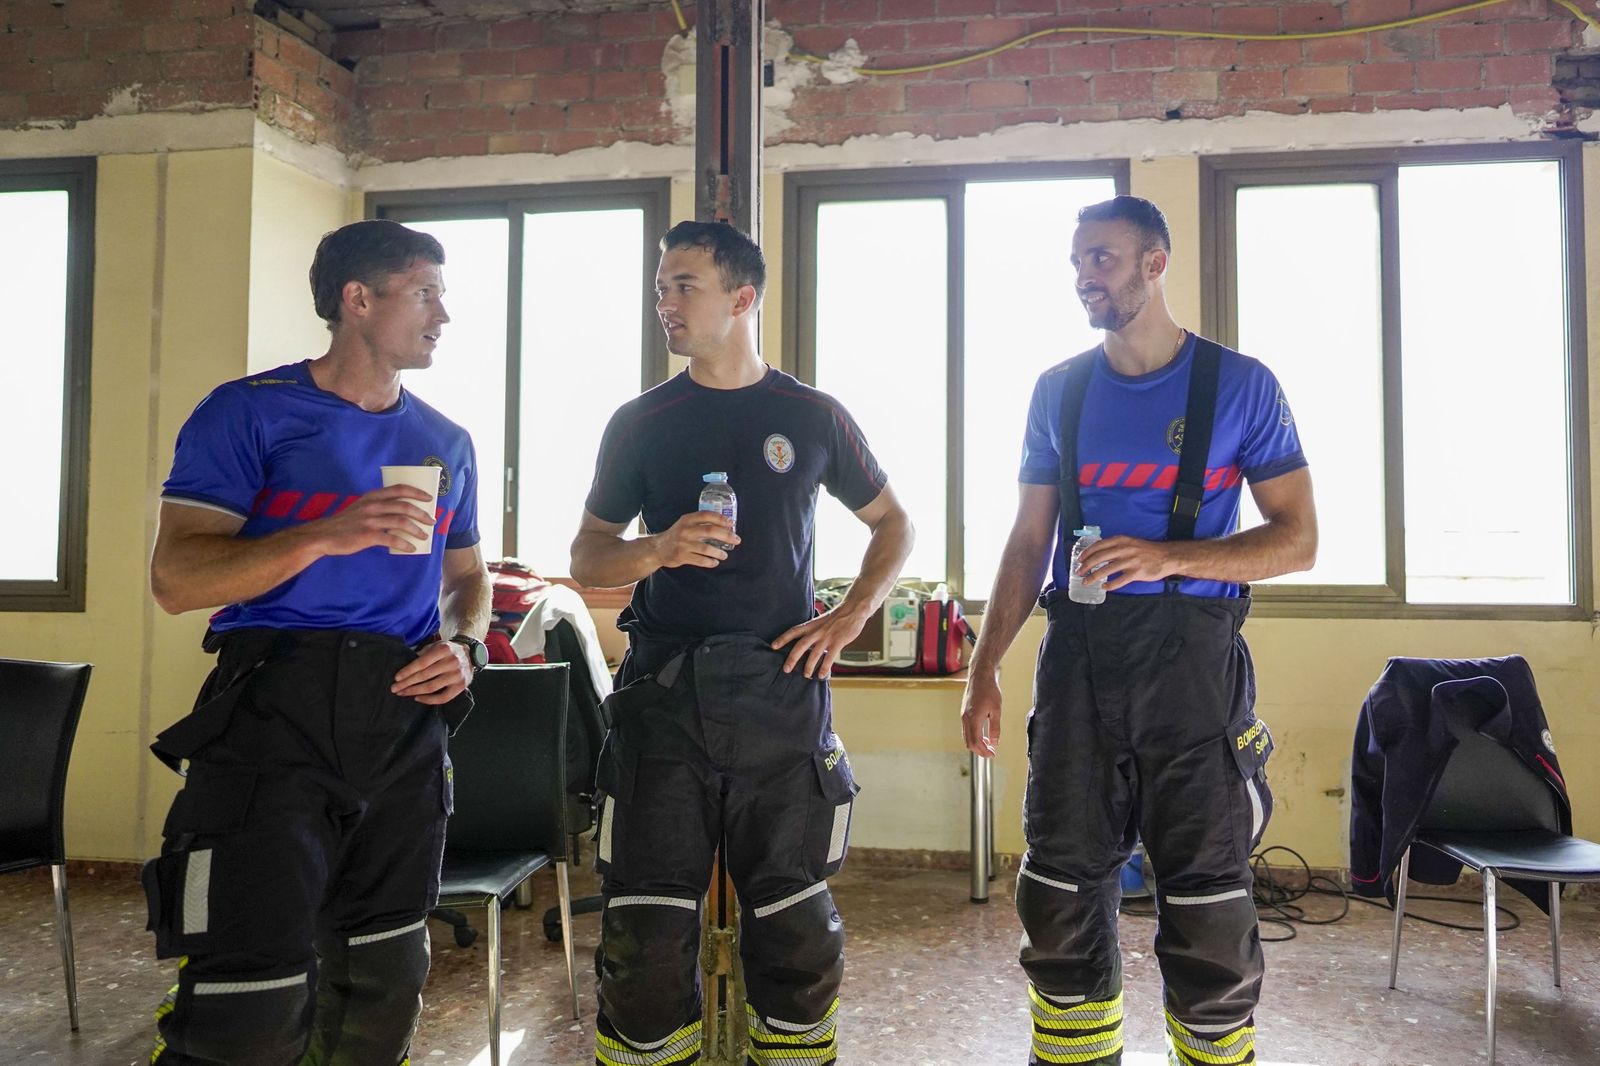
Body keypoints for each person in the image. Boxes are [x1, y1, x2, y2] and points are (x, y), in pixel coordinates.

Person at [959, 196, 1317, 1066]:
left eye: (1104, 259)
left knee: (1207, 901)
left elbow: (1296, 541)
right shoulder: (1060, 391)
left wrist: (1164, 557)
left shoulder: (1241, 385)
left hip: (1193, 670)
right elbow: (1027, 540)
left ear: (1155, 264)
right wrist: (984, 668)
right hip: (1077, 664)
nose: (1086, 277)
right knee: (1060, 886)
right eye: (1078, 261)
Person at [143, 219, 492, 1065]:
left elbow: (470, 579)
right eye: (426, 293)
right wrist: (324, 536)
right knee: (247, 991)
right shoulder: (248, 412)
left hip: (403, 718)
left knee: (382, 977)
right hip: (274, 708)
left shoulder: (445, 442)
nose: (443, 315)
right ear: (358, 298)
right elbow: (177, 580)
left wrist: (468, 645)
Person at [572, 220, 914, 1066]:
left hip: (780, 697)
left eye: (683, 285)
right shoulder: (641, 423)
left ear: (743, 298)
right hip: (662, 702)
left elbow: (893, 523)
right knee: (644, 939)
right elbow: (586, 557)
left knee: (795, 929)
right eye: (660, 287)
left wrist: (849, 614)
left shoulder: (810, 414)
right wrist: (654, 549)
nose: (666, 303)